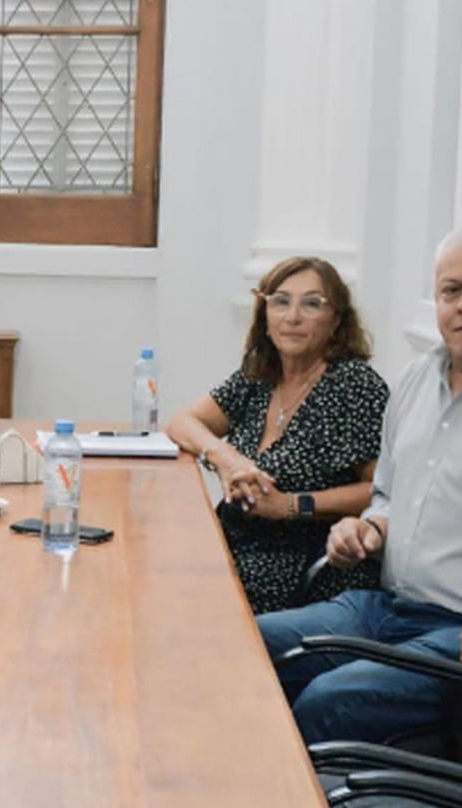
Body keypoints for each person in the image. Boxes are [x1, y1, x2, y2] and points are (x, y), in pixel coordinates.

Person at [259, 226, 462, 744]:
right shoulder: (416, 379)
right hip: (383, 607)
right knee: (242, 645)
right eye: (451, 291)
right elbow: (389, 494)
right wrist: (368, 528)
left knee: (327, 702)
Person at [166, 257, 389, 613]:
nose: (293, 316)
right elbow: (182, 422)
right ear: (265, 315)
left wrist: (290, 505)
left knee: (179, 602)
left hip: (302, 563)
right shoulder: (260, 376)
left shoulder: (355, 385)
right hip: (237, 540)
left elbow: (379, 492)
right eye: (280, 301)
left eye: (312, 303)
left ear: (337, 321)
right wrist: (226, 458)